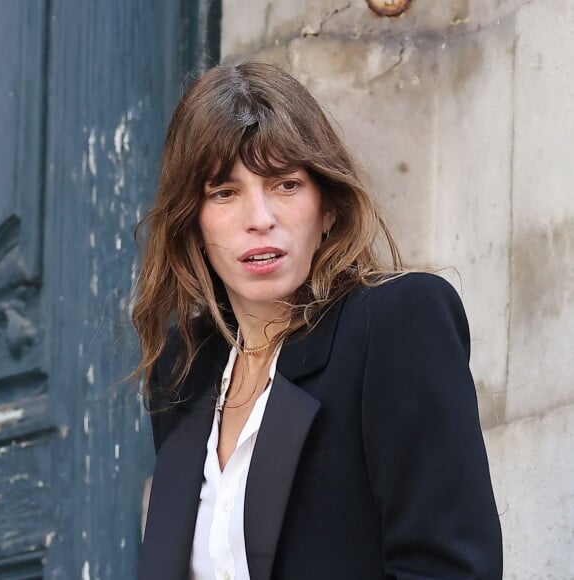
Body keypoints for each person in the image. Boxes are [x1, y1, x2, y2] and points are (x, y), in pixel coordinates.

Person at [133, 62, 503, 580]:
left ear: (327, 207)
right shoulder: (182, 368)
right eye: (224, 193)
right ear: (192, 223)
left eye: (285, 185)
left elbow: (448, 568)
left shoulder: (395, 323)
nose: (259, 218)